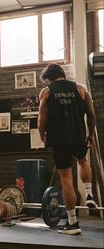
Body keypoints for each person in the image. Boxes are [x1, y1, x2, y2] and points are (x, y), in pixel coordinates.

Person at [37, 64, 98, 235]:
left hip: (59, 139)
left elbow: (42, 118)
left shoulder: (47, 92)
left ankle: (72, 223)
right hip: (78, 135)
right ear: (62, 74)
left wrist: (42, 134)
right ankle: (89, 194)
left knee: (66, 180)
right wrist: (90, 134)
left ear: (49, 78)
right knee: (83, 160)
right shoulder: (80, 88)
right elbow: (92, 115)